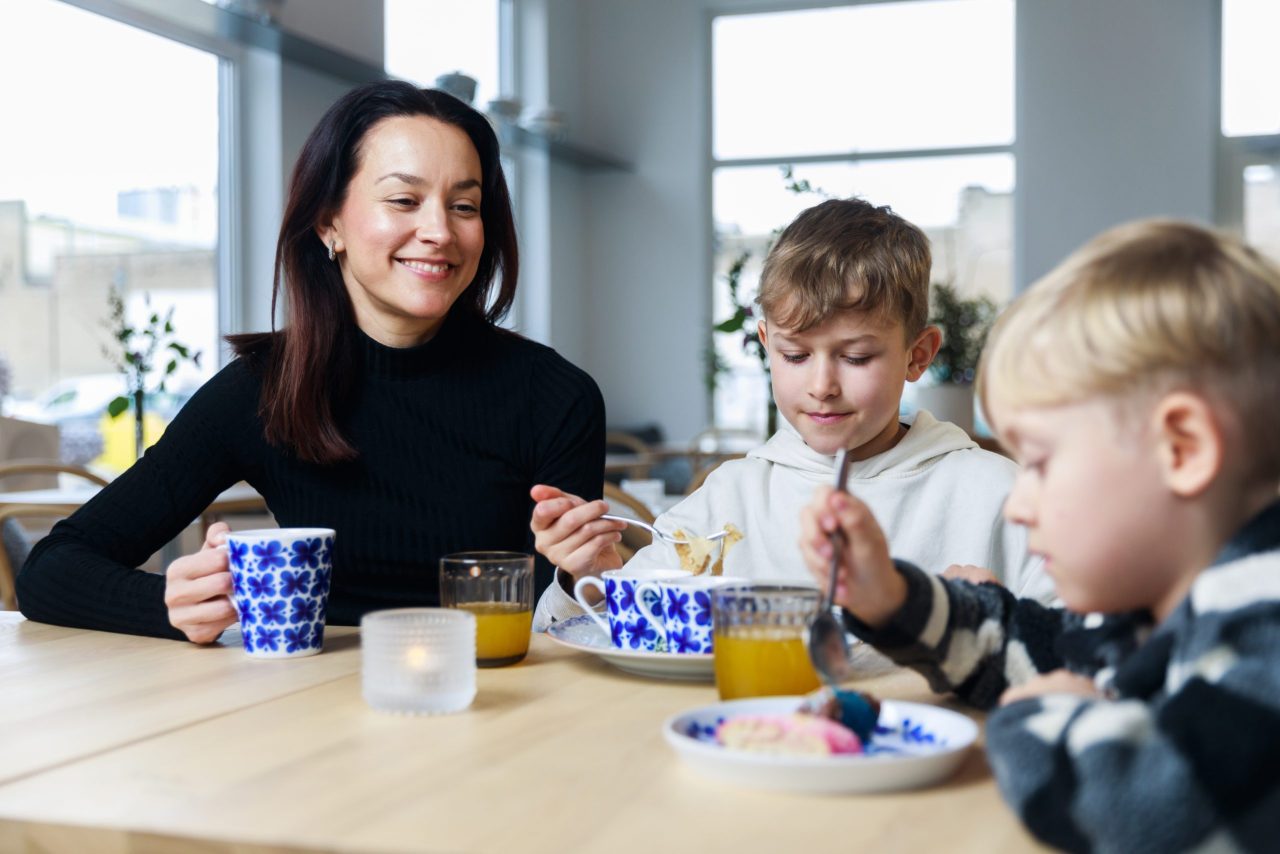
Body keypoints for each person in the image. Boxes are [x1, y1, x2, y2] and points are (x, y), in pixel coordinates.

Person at [17, 81, 605, 642]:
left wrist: (589, 578)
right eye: (404, 199)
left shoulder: (555, 397)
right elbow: (51, 570)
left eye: (465, 206)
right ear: (329, 222)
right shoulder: (265, 387)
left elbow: (566, 620)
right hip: (311, 709)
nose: (438, 231)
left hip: (497, 706)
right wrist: (169, 605)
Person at [799, 219, 1280, 852]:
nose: (1020, 505)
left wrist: (1036, 718)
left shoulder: (1262, 625)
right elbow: (1029, 652)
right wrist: (887, 597)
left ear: (1182, 449)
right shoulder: (1147, 616)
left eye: (1042, 465)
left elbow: (1149, 808)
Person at [531, 197, 1050, 631]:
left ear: (918, 354)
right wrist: (591, 581)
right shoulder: (731, 497)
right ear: (765, 344)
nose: (822, 386)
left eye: (856, 358)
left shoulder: (998, 496)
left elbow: (1082, 658)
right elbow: (602, 635)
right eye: (795, 356)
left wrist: (1002, 622)